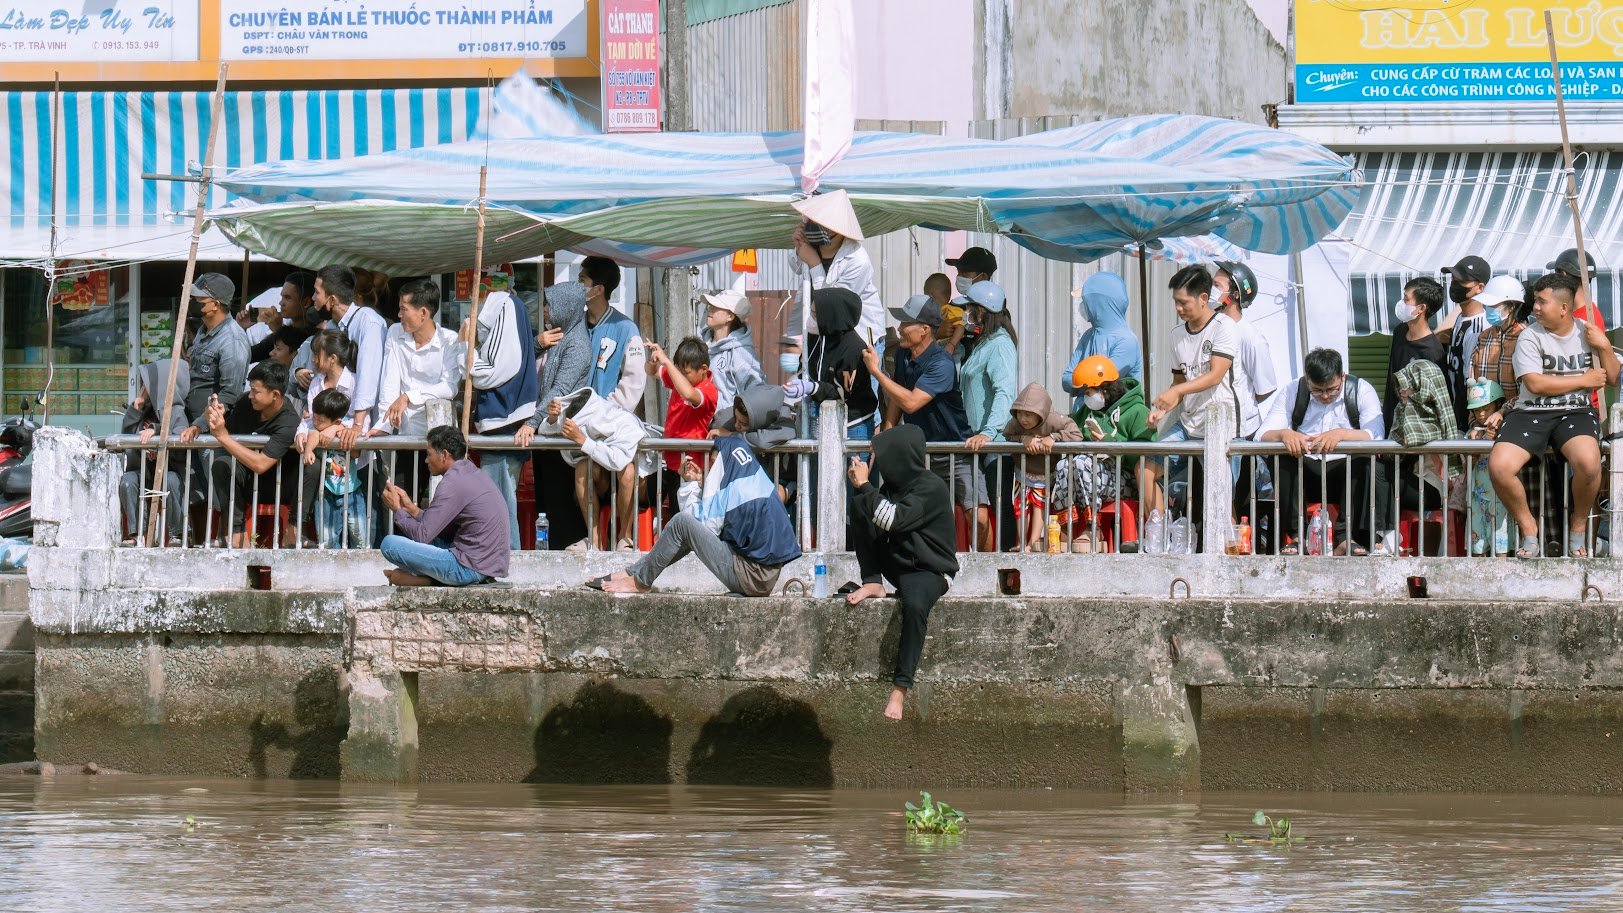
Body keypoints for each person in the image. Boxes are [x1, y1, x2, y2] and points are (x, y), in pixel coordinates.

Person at [1489, 272, 1619, 559]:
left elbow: (1611, 378)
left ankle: (1577, 527)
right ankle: (1529, 528)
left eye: (1541, 302)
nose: (1535, 307)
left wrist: (1604, 346)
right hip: (1530, 411)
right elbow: (1535, 384)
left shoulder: (1588, 331)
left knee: (1589, 463)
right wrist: (1583, 380)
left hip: (1576, 411)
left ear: (1563, 307)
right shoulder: (1529, 335)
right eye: (1535, 300)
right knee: (1499, 466)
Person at [592, 432, 801, 596]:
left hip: (751, 577)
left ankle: (640, 581)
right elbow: (716, 518)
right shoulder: (751, 480)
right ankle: (633, 573)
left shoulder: (731, 489)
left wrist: (690, 484)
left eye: (714, 463)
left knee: (681, 523)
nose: (711, 467)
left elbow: (701, 525)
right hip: (761, 575)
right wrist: (701, 484)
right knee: (684, 529)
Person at [845, 425, 960, 721]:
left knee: (915, 604)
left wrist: (865, 486)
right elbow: (874, 513)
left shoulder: (930, 487)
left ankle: (900, 688)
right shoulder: (892, 488)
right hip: (900, 562)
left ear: (899, 458)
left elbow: (892, 520)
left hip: (929, 570)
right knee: (861, 506)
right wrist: (863, 491)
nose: (879, 464)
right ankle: (873, 582)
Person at [1142, 266, 1260, 515]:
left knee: (1221, 500)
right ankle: (1159, 532)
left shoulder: (1224, 326)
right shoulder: (1176, 335)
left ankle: (1229, 539)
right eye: (1175, 302)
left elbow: (1215, 375)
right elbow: (1179, 382)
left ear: (1203, 298)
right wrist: (1163, 408)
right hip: (1188, 425)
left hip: (1223, 428)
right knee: (1145, 470)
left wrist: (1176, 392)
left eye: (1183, 302)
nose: (1178, 308)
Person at [867, 295, 982, 532]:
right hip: (922, 454)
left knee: (978, 517)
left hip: (956, 451)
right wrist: (887, 431)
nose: (900, 328)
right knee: (926, 519)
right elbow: (898, 396)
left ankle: (983, 557)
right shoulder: (903, 355)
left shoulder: (942, 363)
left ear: (925, 330)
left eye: (906, 323)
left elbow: (910, 403)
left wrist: (877, 373)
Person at [1258, 348, 1385, 556]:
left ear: (1342, 377)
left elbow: (1376, 435)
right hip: (1305, 471)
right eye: (1317, 390)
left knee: (1364, 459)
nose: (1325, 396)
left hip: (1346, 472)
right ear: (1307, 379)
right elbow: (1262, 434)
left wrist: (1342, 434)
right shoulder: (1292, 391)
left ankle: (1345, 537)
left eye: (1332, 389)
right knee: (1282, 459)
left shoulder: (1361, 389)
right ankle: (1298, 536)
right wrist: (1284, 434)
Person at [464, 271, 540, 549]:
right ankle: (502, 554)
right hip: (506, 418)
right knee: (500, 501)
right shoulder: (512, 307)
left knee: (497, 504)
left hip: (502, 419)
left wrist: (465, 348)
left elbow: (492, 370)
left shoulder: (505, 305)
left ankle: (503, 556)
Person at [379, 426, 510, 586]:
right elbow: (442, 531)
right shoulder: (471, 472)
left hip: (469, 568)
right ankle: (428, 579)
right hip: (484, 567)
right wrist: (411, 509)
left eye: (429, 454)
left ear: (444, 455)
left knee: (389, 544)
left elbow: (422, 535)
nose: (426, 460)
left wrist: (397, 510)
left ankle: (430, 581)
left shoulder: (452, 482)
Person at [521, 281, 595, 549]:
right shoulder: (558, 337)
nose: (544, 309)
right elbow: (522, 361)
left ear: (565, 307)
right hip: (548, 433)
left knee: (559, 503)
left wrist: (532, 422)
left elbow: (560, 390)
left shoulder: (577, 345)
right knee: (547, 506)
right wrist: (537, 344)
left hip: (561, 437)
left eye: (550, 304)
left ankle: (565, 554)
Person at [203, 361, 302, 548]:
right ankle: (237, 534)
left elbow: (260, 464)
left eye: (255, 391)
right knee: (222, 464)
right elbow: (227, 431)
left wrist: (222, 436)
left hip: (279, 486)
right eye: (250, 389)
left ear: (275, 395)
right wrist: (217, 418)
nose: (250, 395)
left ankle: (293, 531)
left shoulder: (289, 422)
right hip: (247, 483)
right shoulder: (245, 404)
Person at [539, 387, 650, 552]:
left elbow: (618, 461)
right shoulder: (587, 416)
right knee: (583, 466)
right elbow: (546, 431)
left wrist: (582, 439)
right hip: (606, 481)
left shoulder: (624, 421)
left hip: (639, 486)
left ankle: (625, 537)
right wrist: (553, 418)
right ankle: (594, 539)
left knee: (628, 471)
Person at [958, 280, 1019, 551]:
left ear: (982, 311)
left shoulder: (1000, 345)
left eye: (969, 308)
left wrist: (988, 433)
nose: (966, 314)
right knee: (982, 507)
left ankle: (1007, 563)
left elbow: (1004, 392)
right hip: (978, 441)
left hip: (994, 444)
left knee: (999, 504)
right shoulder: (983, 343)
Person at [791, 190, 884, 353]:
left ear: (838, 228)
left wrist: (814, 263)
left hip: (861, 339)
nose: (813, 225)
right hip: (826, 334)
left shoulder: (857, 261)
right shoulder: (812, 245)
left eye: (821, 221)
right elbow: (796, 267)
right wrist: (798, 246)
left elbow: (833, 306)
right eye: (810, 219)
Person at [1001, 382, 1083, 551]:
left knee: (1039, 506)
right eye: (1020, 413)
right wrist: (1022, 439)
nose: (1023, 419)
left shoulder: (1054, 420)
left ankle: (1032, 543)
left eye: (1028, 415)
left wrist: (1053, 437)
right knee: (1020, 506)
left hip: (1044, 473)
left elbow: (1077, 434)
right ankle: (1020, 543)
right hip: (1022, 472)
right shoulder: (1016, 424)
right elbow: (1007, 435)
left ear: (1041, 413)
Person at [313, 265, 387, 449]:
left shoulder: (368, 321)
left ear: (332, 299)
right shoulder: (332, 326)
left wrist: (357, 425)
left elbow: (368, 374)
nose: (313, 298)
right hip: (337, 425)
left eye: (317, 292)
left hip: (367, 426)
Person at [118, 358, 188, 546]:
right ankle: (136, 534)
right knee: (128, 481)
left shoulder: (176, 412)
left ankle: (176, 534)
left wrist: (156, 431)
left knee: (172, 481)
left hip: (168, 471)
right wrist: (136, 408)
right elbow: (127, 435)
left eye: (148, 385)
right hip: (145, 471)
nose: (144, 389)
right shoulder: (144, 410)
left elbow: (179, 433)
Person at [793, 287, 877, 441]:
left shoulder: (853, 349)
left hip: (853, 425)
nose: (810, 319)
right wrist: (798, 384)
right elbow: (804, 367)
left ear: (830, 316)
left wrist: (813, 387)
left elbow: (842, 394)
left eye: (815, 314)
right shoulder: (815, 337)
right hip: (822, 418)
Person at [646, 336, 718, 514]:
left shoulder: (709, 391)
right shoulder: (681, 378)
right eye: (678, 371)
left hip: (690, 470)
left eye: (685, 373)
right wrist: (653, 360)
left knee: (684, 519)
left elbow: (688, 394)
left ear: (704, 369)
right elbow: (652, 372)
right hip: (669, 463)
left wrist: (666, 362)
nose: (680, 376)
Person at [179, 272, 250, 443]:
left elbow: (230, 394)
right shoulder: (203, 329)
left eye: (198, 299)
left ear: (215, 305)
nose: (192, 301)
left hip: (211, 431)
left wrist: (200, 425)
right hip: (191, 425)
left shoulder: (232, 339)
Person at [1064, 271, 1144, 410]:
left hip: (1115, 418)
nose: (1083, 306)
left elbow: (1102, 382)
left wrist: (1078, 383)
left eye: (1086, 301)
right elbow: (1066, 379)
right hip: (1082, 415)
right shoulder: (1088, 336)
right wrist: (1081, 382)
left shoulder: (1127, 341)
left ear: (1099, 303)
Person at [303, 389, 370, 549]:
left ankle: (360, 564)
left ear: (337, 420)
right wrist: (309, 450)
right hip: (325, 492)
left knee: (360, 535)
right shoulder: (313, 426)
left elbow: (355, 452)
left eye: (321, 420)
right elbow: (312, 433)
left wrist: (336, 429)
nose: (316, 421)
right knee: (327, 540)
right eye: (315, 416)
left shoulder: (346, 426)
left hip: (352, 490)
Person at [579, 256, 646, 412]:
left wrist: (606, 411)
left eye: (582, 281)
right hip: (571, 419)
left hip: (606, 420)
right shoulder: (575, 325)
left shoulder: (626, 329)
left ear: (598, 289)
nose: (577, 286)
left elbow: (634, 382)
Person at [1467, 274, 1530, 435]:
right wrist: (1476, 425)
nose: (1488, 309)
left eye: (1493, 305)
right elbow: (1472, 385)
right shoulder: (1483, 337)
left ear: (1511, 307)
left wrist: (1502, 412)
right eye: (1487, 305)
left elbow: (1529, 390)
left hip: (1518, 423)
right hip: (1484, 425)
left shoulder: (1526, 337)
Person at [1382, 277, 1447, 429]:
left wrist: (1414, 394)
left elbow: (1438, 399)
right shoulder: (1400, 331)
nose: (1401, 303)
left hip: (1415, 430)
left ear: (1421, 308)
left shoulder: (1433, 351)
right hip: (1390, 422)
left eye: (1406, 300)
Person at [1437, 255, 1493, 431]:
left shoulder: (1480, 326)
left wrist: (1472, 423)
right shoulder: (1461, 317)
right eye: (1453, 279)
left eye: (1461, 281)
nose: (1455, 285)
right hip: (1454, 412)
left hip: (1468, 416)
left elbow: (1473, 379)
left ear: (1480, 287)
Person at [1209, 261, 1277, 402]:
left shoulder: (1250, 338)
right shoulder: (1211, 327)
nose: (1211, 290)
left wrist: (1243, 406)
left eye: (1216, 285)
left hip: (1241, 416)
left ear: (1235, 294)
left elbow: (1266, 388)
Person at [1462, 378, 1510, 556]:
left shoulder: (1507, 429)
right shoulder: (1472, 433)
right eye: (1476, 410)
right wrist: (1478, 442)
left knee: (1500, 539)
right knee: (1477, 543)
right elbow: (1469, 462)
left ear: (1498, 406)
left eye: (1486, 408)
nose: (1481, 414)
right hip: (1476, 496)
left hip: (1501, 496)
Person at [699, 289, 763, 404]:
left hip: (724, 415)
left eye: (716, 306)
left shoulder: (741, 352)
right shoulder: (700, 343)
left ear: (730, 316)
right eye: (710, 306)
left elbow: (756, 392)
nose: (710, 309)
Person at [249, 271, 316, 364]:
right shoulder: (288, 328)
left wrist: (278, 331)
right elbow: (251, 355)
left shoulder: (314, 338)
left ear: (306, 303)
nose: (281, 303)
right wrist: (242, 327)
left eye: (287, 298)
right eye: (282, 297)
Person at [945, 246, 998, 360]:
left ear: (982, 277)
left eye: (965, 275)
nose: (959, 277)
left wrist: (969, 329)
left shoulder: (995, 311)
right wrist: (939, 332)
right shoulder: (954, 306)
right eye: (959, 273)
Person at [923, 273, 965, 357]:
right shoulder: (929, 313)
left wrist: (952, 344)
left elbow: (960, 327)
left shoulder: (951, 310)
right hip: (937, 346)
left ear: (931, 297)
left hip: (953, 347)